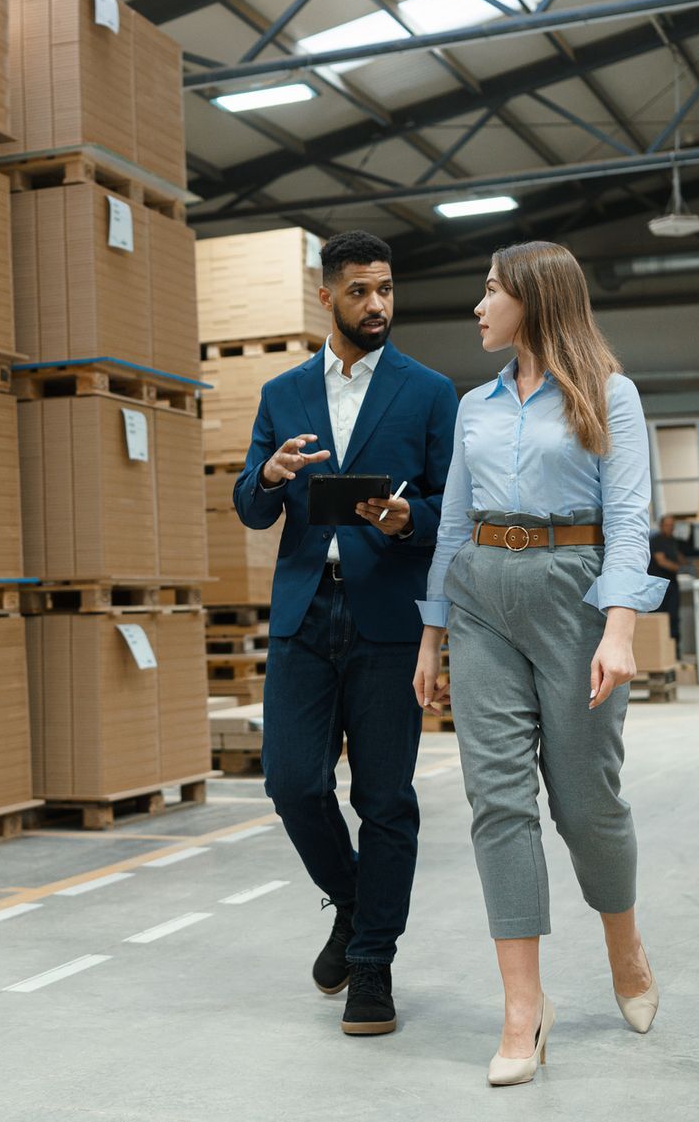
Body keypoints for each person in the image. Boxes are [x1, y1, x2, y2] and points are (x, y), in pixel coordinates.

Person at [412, 240, 665, 1086]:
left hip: (575, 595)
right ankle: (524, 1008)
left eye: (490, 290)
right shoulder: (471, 406)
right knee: (497, 798)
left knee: (586, 801)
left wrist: (619, 628)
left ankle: (624, 946)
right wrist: (432, 633)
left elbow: (629, 519)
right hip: (483, 593)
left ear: (535, 298)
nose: (478, 307)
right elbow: (452, 523)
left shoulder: (609, 395)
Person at [233, 229, 458, 1038]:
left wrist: (405, 517)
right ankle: (359, 901)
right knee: (292, 782)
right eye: (361, 290)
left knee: (385, 798)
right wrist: (267, 474)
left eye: (387, 289)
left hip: (388, 618)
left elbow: (448, 511)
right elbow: (251, 505)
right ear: (325, 295)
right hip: (304, 612)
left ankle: (372, 964)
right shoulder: (282, 393)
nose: (377, 305)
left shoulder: (430, 392)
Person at [649, 515, 689, 650]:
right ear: (661, 526)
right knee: (659, 617)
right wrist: (680, 568)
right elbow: (661, 561)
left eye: (672, 525)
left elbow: (678, 555)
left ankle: (674, 650)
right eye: (668, 525)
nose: (670, 528)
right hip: (658, 585)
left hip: (672, 585)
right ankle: (658, 650)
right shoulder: (656, 541)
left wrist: (687, 564)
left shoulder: (672, 541)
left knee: (673, 618)